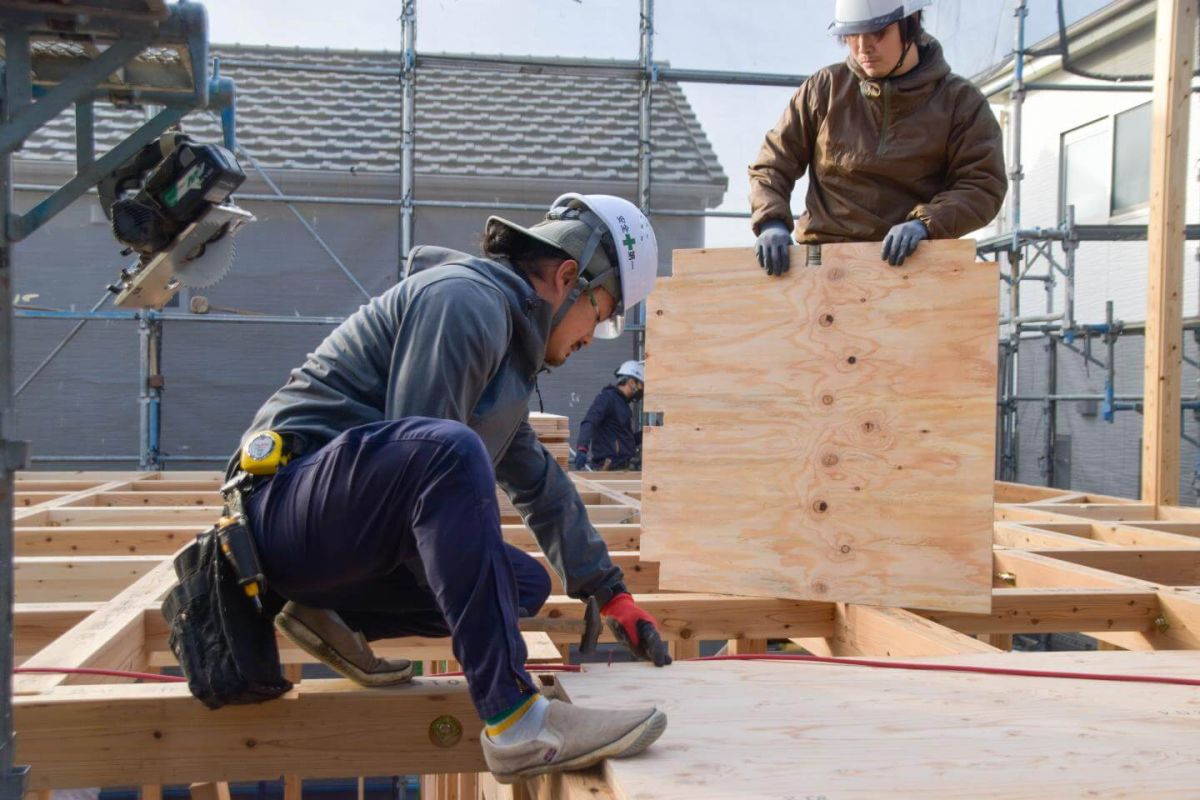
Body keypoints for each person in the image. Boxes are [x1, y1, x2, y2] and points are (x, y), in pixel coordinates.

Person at [231, 193, 671, 783]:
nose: (596, 336)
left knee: (523, 583)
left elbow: (542, 487)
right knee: (448, 450)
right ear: (568, 277)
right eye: (604, 313)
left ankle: (332, 613)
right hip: (279, 507)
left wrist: (609, 592)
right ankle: (516, 721)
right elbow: (422, 454)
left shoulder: (505, 355)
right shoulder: (466, 301)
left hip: (329, 529)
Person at [749, 0, 1007, 275]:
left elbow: (983, 185)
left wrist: (926, 224)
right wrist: (771, 221)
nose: (863, 47)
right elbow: (772, 165)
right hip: (824, 261)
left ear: (910, 25)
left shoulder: (960, 102)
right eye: (852, 35)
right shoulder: (824, 89)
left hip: (911, 265)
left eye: (878, 33)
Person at [574, 360, 644, 471]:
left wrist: (646, 434)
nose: (642, 389)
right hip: (608, 469)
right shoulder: (608, 398)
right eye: (641, 384)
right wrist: (582, 448)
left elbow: (625, 441)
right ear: (631, 382)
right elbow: (589, 422)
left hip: (622, 468)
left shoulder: (622, 404)